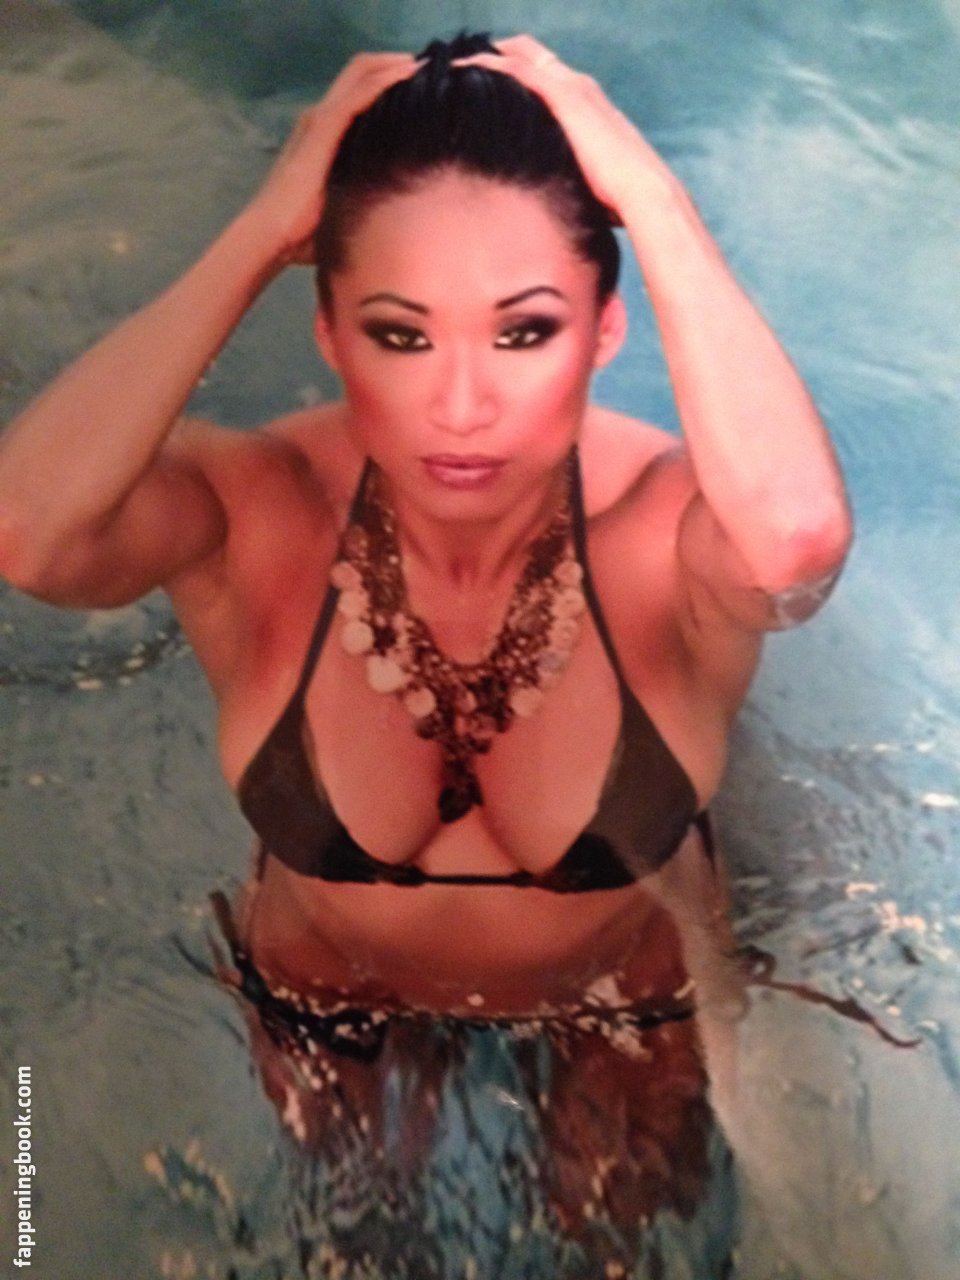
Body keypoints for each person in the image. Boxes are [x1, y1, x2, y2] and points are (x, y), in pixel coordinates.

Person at [0, 33, 850, 1017]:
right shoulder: (262, 507)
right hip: (322, 991)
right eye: (400, 334)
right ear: (329, 333)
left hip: (627, 997)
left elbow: (793, 545)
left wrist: (658, 204)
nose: (460, 406)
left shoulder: (665, 528)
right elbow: (33, 535)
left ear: (606, 327)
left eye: (524, 331)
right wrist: (260, 234)